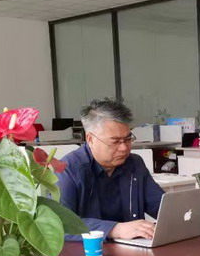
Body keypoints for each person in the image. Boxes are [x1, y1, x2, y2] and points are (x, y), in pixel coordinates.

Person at [58, 98, 163, 241]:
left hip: (134, 250)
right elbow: (60, 224)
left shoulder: (134, 164)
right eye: (115, 141)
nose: (124, 148)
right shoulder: (68, 170)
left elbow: (160, 207)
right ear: (90, 139)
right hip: (88, 251)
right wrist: (115, 229)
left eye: (128, 139)